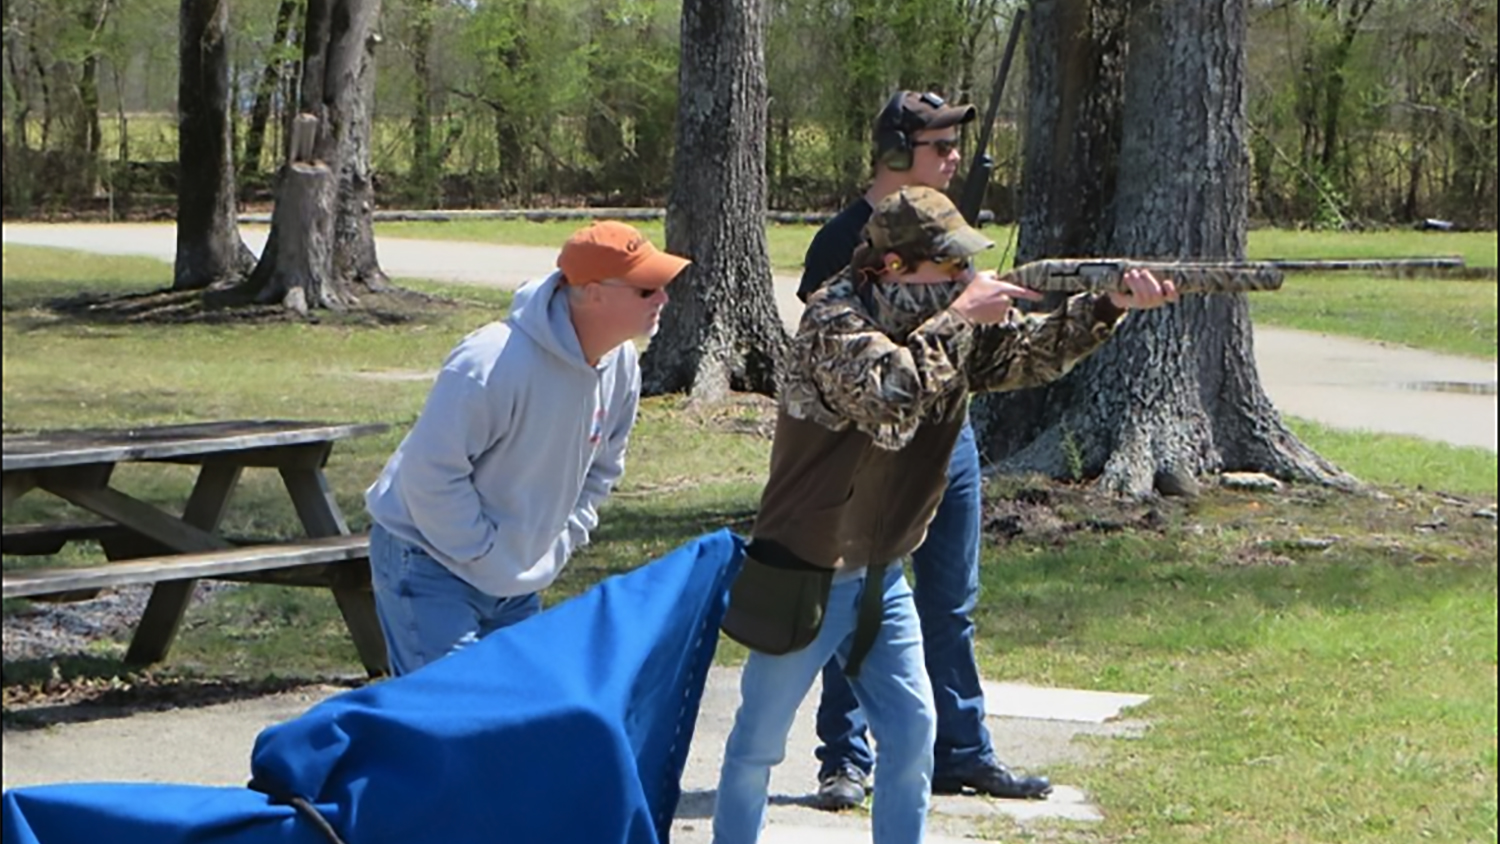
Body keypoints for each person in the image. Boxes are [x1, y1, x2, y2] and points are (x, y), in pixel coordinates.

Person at [713, 186, 1176, 844]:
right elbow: (890, 397)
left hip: (882, 571)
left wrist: (1108, 306)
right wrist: (961, 315)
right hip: (802, 572)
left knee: (912, 737)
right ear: (896, 266)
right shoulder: (833, 318)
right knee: (758, 745)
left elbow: (1030, 358)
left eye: (965, 267)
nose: (966, 275)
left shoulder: (942, 321)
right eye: (949, 264)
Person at [796, 90, 1050, 809]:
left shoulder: (953, 230)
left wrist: (1101, 308)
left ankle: (962, 751)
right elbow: (843, 359)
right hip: (866, 446)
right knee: (858, 598)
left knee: (951, 604)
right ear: (897, 153)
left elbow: (992, 344)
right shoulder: (840, 240)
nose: (954, 160)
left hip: (950, 439)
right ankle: (844, 761)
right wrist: (950, 316)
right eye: (939, 148)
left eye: (953, 148)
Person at [364, 221, 690, 676]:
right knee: (447, 724)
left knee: (512, 719)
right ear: (593, 292)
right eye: (645, 290)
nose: (663, 299)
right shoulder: (490, 362)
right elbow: (430, 475)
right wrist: (483, 552)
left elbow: (602, 469)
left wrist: (559, 542)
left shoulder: (622, 364)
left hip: (517, 577)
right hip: (430, 561)